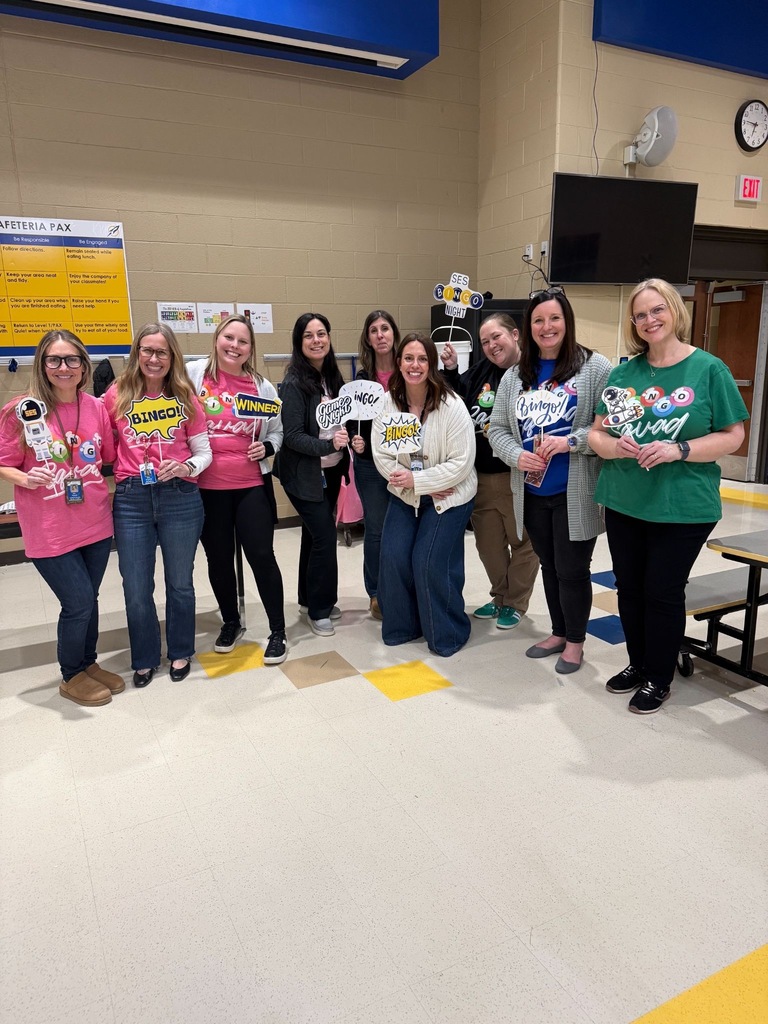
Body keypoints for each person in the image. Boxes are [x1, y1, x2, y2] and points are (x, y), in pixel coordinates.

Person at [589, 279, 748, 713]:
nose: (649, 320)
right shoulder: (623, 373)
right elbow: (596, 433)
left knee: (661, 590)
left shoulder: (708, 369)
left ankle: (659, 676)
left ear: (675, 311)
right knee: (629, 588)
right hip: (625, 499)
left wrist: (680, 449)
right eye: (640, 315)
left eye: (657, 310)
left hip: (683, 505)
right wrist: (612, 445)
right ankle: (638, 664)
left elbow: (734, 435)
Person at [489, 288, 611, 674]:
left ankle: (575, 642)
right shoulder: (515, 376)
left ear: (567, 322)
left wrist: (570, 441)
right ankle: (558, 631)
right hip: (531, 491)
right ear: (528, 328)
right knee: (549, 564)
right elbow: (497, 430)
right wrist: (516, 455)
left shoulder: (595, 368)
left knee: (573, 569)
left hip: (575, 492)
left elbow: (607, 428)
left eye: (554, 318)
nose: (547, 327)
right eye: (538, 320)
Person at [0, 330, 123, 707]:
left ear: (84, 366)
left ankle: (88, 663)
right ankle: (71, 675)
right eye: (54, 360)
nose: (64, 367)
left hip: (95, 522)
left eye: (72, 360)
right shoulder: (22, 409)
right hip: (49, 527)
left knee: (91, 597)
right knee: (79, 602)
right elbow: (4, 462)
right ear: (42, 365)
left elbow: (108, 456)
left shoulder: (97, 406)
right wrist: (24, 477)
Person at [105, 323, 211, 687]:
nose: (153, 358)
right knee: (135, 586)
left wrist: (185, 466)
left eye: (161, 352)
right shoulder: (115, 396)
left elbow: (204, 453)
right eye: (146, 351)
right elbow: (103, 447)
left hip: (179, 495)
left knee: (179, 582)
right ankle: (145, 657)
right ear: (137, 354)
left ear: (172, 357)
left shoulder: (185, 397)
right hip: (132, 499)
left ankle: (181, 650)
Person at [187, 315, 287, 664]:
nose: (234, 346)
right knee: (218, 559)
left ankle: (278, 631)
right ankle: (231, 622)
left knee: (261, 556)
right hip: (206, 488)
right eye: (228, 338)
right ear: (216, 339)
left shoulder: (262, 387)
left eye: (242, 341)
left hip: (249, 485)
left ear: (251, 349)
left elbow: (277, 431)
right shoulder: (194, 375)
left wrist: (268, 448)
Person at [372, 332, 477, 657]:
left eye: (422, 359)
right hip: (406, 493)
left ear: (431, 364)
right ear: (399, 362)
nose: (414, 365)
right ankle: (404, 625)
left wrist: (422, 481)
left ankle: (448, 632)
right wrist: (419, 482)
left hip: (451, 495)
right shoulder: (387, 404)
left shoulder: (452, 405)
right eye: (408, 358)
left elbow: (461, 464)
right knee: (392, 556)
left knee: (428, 560)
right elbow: (382, 455)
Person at [441, 313, 539, 631]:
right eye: (485, 341)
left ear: (515, 334)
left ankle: (515, 603)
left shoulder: (534, 372)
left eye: (496, 337)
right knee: (488, 544)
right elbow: (456, 400)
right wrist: (452, 369)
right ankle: (500, 596)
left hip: (518, 476)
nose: (491, 345)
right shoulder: (480, 372)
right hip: (480, 476)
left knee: (524, 542)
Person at [275, 313, 363, 638]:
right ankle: (320, 609)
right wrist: (327, 444)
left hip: (329, 473)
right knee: (326, 537)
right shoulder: (295, 383)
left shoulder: (332, 378)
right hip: (303, 475)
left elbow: (343, 420)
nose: (317, 340)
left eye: (321, 333)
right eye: (309, 335)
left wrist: (352, 437)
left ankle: (306, 598)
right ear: (300, 343)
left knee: (313, 536)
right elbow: (293, 436)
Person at [353, 310, 400, 620]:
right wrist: (355, 441)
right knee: (376, 528)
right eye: (374, 330)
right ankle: (376, 592)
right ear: (368, 338)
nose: (380, 335)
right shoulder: (362, 380)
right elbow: (353, 421)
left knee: (404, 526)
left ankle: (401, 587)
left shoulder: (409, 369)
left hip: (406, 462)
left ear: (394, 333)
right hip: (370, 463)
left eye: (385, 328)